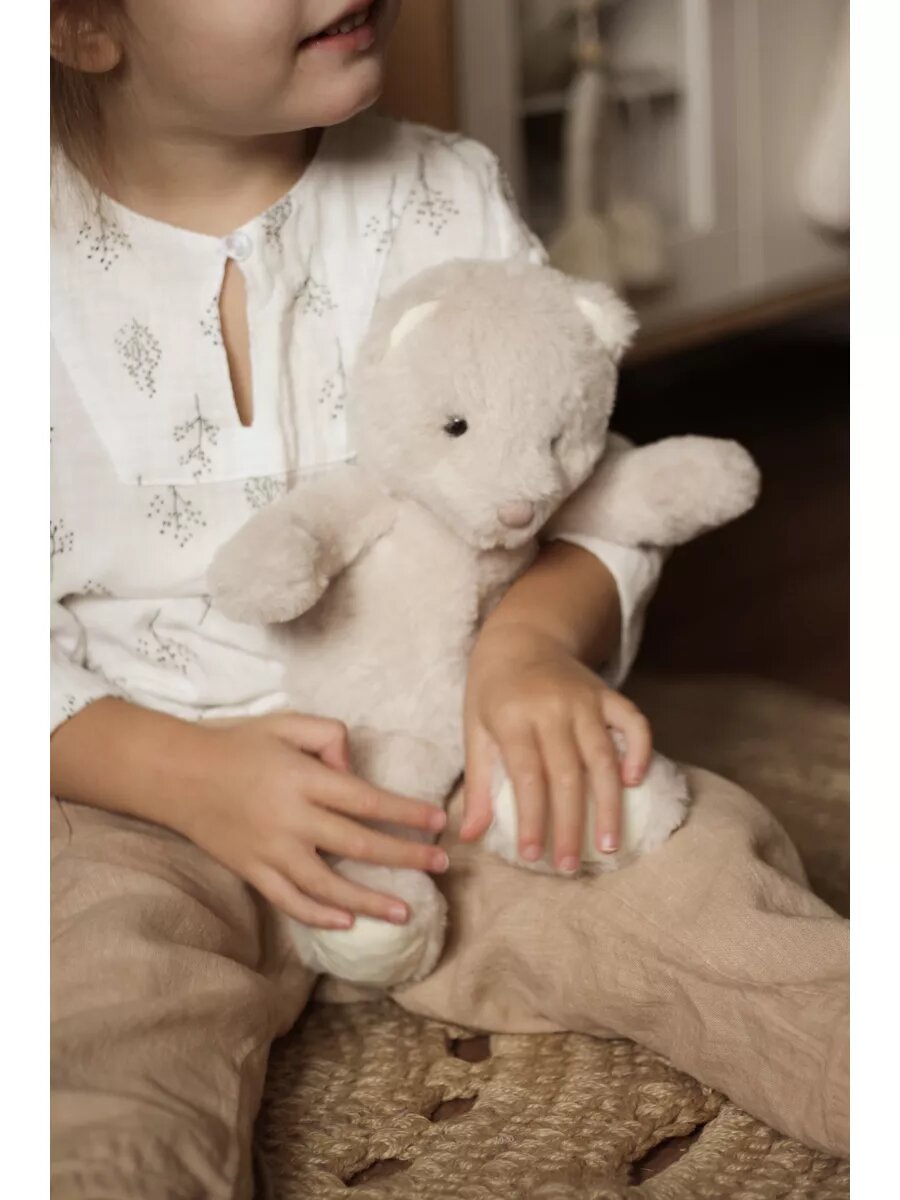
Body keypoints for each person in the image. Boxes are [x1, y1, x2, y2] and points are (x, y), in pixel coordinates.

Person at [49, 2, 849, 1195]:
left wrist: (529, 648)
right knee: (95, 1039)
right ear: (79, 27)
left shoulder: (441, 194)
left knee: (704, 890)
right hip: (132, 798)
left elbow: (579, 485)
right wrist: (177, 775)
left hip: (451, 765)